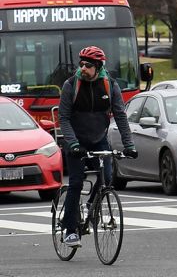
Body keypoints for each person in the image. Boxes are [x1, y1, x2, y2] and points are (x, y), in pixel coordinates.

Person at [57, 46, 136, 246]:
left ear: (98, 66)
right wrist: (73, 143)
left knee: (107, 179)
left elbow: (120, 115)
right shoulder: (71, 85)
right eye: (81, 64)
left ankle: (92, 206)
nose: (83, 68)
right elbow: (63, 118)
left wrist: (129, 145)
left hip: (99, 138)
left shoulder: (109, 85)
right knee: (76, 182)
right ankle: (69, 229)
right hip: (74, 139)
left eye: (88, 65)